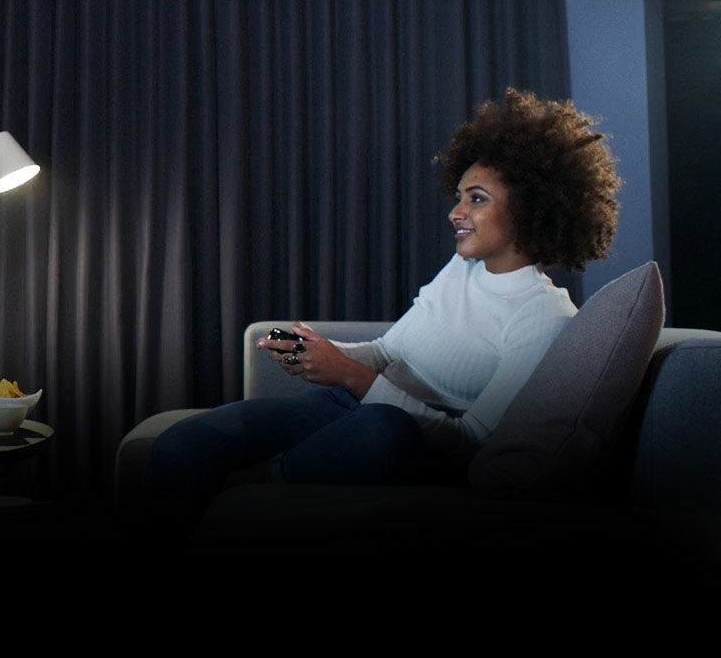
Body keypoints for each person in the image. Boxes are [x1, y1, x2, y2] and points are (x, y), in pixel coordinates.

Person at [143, 88, 622, 526]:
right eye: (459, 197)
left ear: (531, 208)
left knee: (382, 429)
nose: (455, 213)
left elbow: (473, 442)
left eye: (477, 199)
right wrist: (324, 352)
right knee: (180, 447)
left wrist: (350, 374)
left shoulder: (544, 317)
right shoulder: (464, 269)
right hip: (347, 408)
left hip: (403, 443)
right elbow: (389, 351)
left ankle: (252, 487)